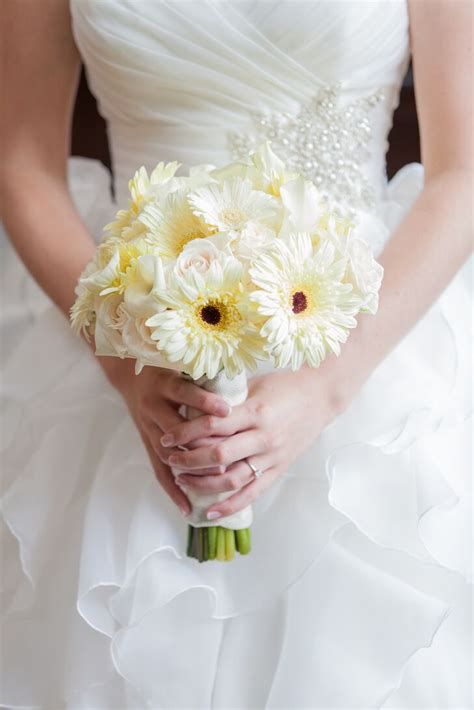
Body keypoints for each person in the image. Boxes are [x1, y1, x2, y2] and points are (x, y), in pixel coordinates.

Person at [0, 1, 471, 707]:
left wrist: (325, 387)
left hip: (365, 335)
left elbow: (461, 176)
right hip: (140, 329)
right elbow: (22, 163)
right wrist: (128, 366)